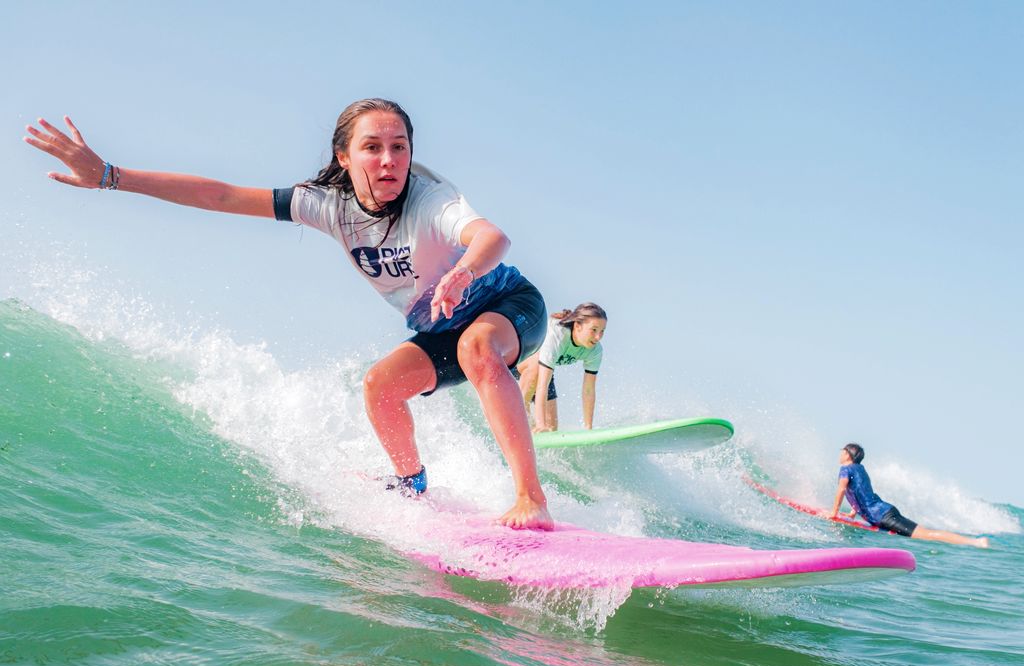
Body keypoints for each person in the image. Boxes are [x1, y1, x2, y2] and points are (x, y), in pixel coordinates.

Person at [24, 100, 554, 530]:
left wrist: (463, 272)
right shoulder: (326, 204)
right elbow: (222, 195)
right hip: (441, 325)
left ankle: (530, 499)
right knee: (379, 387)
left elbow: (491, 237)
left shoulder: (431, 200)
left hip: (508, 307)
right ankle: (411, 486)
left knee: (477, 347)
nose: (389, 160)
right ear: (344, 156)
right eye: (372, 147)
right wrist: (111, 176)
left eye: (399, 147)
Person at [830, 443, 988, 548]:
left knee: (927, 534)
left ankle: (976, 542)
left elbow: (842, 490)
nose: (839, 454)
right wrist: (853, 512)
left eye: (842, 451)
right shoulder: (860, 468)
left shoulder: (845, 469)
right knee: (926, 533)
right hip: (885, 511)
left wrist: (834, 512)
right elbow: (861, 491)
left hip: (883, 516)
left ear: (847, 454)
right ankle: (975, 541)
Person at [514, 303, 607, 433]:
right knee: (536, 366)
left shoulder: (595, 350)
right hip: (517, 359)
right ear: (578, 326)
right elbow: (542, 385)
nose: (598, 337)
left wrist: (588, 428)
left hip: (544, 370)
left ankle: (533, 430)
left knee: (552, 428)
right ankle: (518, 422)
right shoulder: (557, 336)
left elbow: (588, 390)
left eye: (602, 331)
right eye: (594, 330)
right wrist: (541, 425)